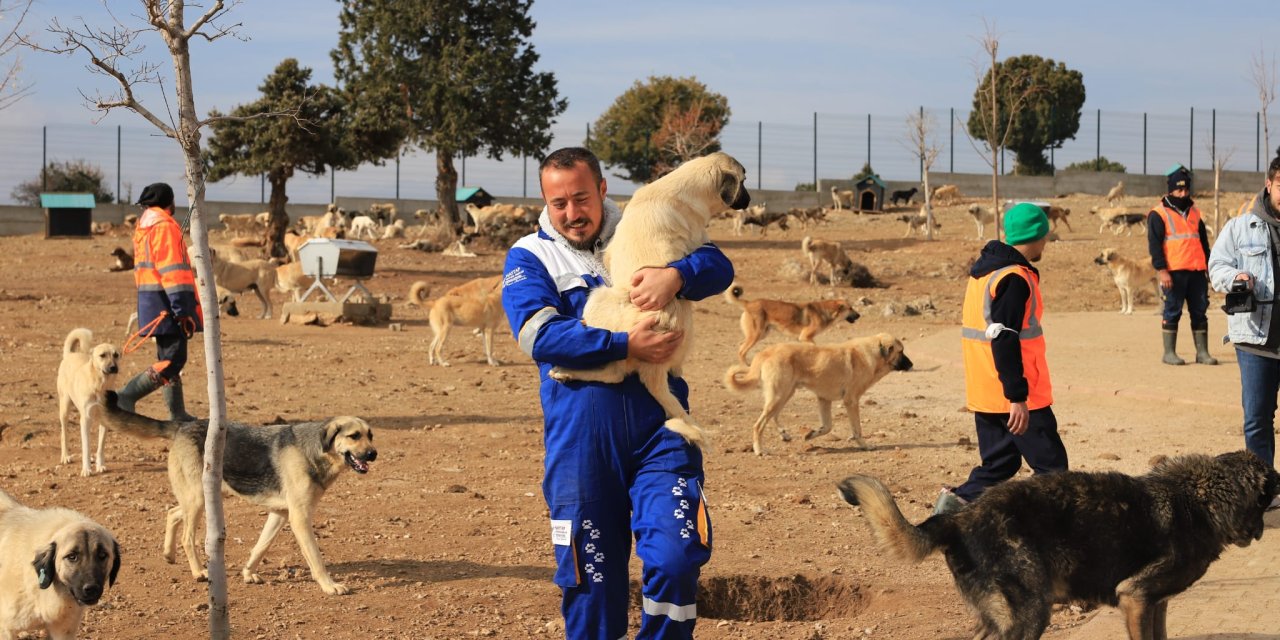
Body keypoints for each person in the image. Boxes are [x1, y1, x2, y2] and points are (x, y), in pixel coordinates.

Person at [500, 147, 734, 639]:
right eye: (558, 202)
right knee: (591, 577)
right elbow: (538, 336)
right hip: (582, 438)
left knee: (676, 555)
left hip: (661, 427)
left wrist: (678, 275)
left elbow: (719, 265)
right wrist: (625, 343)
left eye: (581, 198)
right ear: (545, 201)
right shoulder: (531, 256)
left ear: (602, 191)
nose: (571, 213)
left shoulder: (645, 223)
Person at [936, 203, 1069, 514]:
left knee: (1000, 464)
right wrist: (1017, 396)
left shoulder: (986, 272)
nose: (1046, 244)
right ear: (1037, 237)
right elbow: (1004, 337)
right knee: (1054, 472)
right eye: (1045, 238)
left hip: (986, 391)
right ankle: (1046, 535)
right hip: (1018, 396)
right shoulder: (1013, 278)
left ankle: (953, 505)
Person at [1208, 149, 1280, 477]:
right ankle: (1264, 489)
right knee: (1257, 418)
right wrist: (1236, 277)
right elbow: (1217, 267)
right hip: (1255, 340)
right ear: (1269, 184)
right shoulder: (1240, 227)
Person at [116, 182, 202, 421]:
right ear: (169, 202)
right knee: (174, 359)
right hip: (166, 303)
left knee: (167, 357)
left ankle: (178, 414)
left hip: (152, 301)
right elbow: (172, 272)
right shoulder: (164, 227)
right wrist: (182, 310)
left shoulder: (146, 225)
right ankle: (126, 395)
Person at [1148, 166, 1218, 365]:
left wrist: (1210, 268)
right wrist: (1162, 271)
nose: (1183, 194)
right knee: (1172, 310)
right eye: (1179, 190)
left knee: (1199, 311)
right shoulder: (1158, 214)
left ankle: (1202, 353)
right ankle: (1169, 353)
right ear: (1170, 191)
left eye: (1186, 190)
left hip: (1196, 271)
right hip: (1174, 272)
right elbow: (1155, 245)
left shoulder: (1195, 212)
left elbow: (1203, 244)